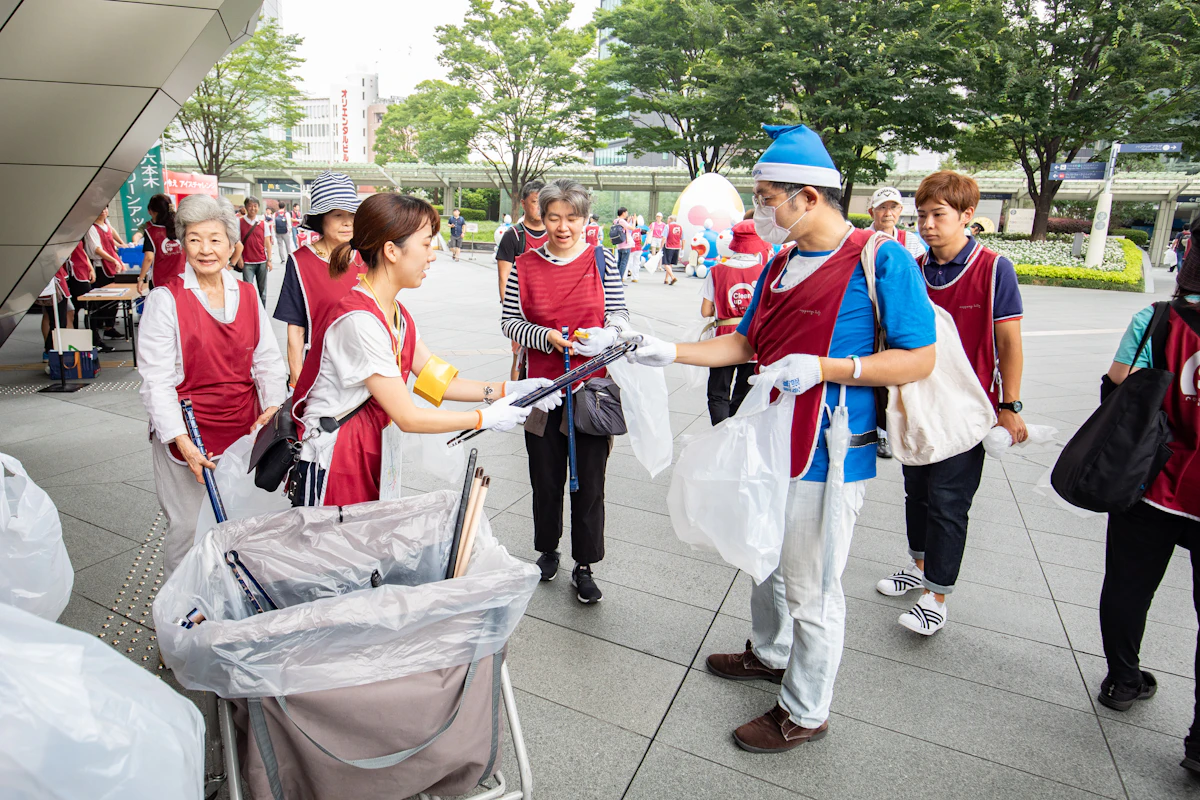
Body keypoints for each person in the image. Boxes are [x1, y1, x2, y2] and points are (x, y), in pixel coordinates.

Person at [622, 124, 936, 752]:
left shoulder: (880, 258)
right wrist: (667, 350)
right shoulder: (782, 261)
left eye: (768, 198)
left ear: (810, 197)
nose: (761, 210)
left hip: (829, 446)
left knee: (812, 583)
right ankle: (770, 651)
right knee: (764, 555)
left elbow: (919, 357)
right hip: (769, 434)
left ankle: (806, 708)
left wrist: (829, 368)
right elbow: (745, 342)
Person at [291, 193, 557, 507]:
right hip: (336, 460)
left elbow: (436, 381)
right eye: (426, 244)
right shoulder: (360, 321)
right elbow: (407, 416)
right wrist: (483, 417)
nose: (432, 255)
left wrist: (507, 389)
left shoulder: (395, 313)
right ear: (391, 250)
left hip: (367, 447)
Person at [875, 170, 1026, 636]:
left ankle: (936, 598)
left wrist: (1011, 405)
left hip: (968, 408)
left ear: (966, 216)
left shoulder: (993, 268)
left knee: (948, 501)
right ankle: (920, 570)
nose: (928, 224)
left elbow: (1009, 341)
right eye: (921, 215)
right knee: (916, 493)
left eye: (939, 215)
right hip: (918, 404)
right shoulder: (915, 269)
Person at [137, 194, 287, 579]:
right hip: (187, 432)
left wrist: (272, 408)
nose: (206, 250)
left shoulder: (248, 294)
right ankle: (181, 619)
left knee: (239, 523)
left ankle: (229, 608)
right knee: (188, 528)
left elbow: (267, 361)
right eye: (195, 239)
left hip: (241, 428)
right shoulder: (164, 300)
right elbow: (156, 379)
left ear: (232, 246)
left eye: (216, 239)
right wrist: (181, 442)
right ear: (182, 243)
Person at [1097, 230, 1200, 776]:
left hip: (1151, 483)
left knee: (1128, 585)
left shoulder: (1159, 318)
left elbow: (1120, 384)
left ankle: (1123, 679)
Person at [501, 179, 628, 605]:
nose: (563, 226)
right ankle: (547, 549)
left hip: (592, 389)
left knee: (590, 481)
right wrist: (545, 337)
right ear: (541, 215)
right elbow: (509, 322)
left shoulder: (601, 259)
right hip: (542, 390)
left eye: (572, 218)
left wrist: (607, 334)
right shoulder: (525, 265)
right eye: (553, 216)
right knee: (546, 476)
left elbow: (619, 313)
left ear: (586, 220)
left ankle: (586, 564)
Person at [273, 171, 365, 386]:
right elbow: (295, 326)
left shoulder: (367, 256)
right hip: (322, 373)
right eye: (337, 215)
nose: (347, 223)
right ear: (320, 219)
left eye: (352, 215)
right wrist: (296, 376)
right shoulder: (300, 262)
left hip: (366, 368)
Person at [699, 220, 769, 425]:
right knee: (744, 393)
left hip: (723, 338)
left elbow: (705, 311)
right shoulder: (765, 271)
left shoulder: (716, 271)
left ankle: (720, 431)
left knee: (718, 392)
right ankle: (736, 432)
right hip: (752, 337)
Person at [497, 182, 548, 381]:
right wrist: (513, 317)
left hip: (549, 312)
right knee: (519, 359)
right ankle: (516, 401)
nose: (540, 207)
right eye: (535, 202)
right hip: (522, 314)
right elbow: (504, 279)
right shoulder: (514, 236)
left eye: (544, 202)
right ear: (523, 203)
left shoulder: (554, 235)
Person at [85, 209, 126, 341]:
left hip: (112, 266)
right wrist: (114, 260)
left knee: (114, 299)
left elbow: (110, 236)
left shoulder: (106, 224)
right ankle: (95, 331)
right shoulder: (92, 228)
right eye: (100, 208)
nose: (103, 211)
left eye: (105, 208)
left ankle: (109, 327)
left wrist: (121, 244)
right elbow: (97, 249)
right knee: (101, 301)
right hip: (100, 267)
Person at [137, 194, 186, 293]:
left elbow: (149, 258)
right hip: (183, 279)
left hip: (161, 282)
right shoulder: (181, 228)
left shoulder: (151, 232)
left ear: (153, 212)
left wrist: (141, 279)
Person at [235, 197, 271, 299]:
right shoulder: (239, 222)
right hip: (247, 263)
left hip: (262, 262)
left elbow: (267, 243)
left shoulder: (263, 224)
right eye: (250, 206)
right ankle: (250, 313)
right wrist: (239, 258)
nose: (253, 208)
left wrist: (269, 260)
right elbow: (237, 241)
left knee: (263, 292)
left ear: (258, 207)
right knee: (248, 291)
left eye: (255, 206)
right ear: (246, 207)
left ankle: (262, 313)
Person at [613, 207, 636, 283]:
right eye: (626, 212)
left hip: (619, 244)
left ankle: (616, 278)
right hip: (625, 244)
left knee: (619, 262)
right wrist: (634, 220)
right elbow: (632, 228)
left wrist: (628, 221)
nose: (627, 214)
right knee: (624, 263)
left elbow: (624, 229)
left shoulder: (616, 221)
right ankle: (619, 280)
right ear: (623, 213)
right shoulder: (622, 221)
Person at [662, 214, 683, 285]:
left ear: (670, 220)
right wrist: (682, 248)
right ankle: (666, 279)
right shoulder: (680, 227)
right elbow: (683, 239)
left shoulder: (668, 226)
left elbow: (664, 237)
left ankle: (673, 277)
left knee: (665, 263)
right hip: (677, 246)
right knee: (670, 263)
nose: (667, 220)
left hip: (669, 246)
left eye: (668, 219)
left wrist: (661, 247)